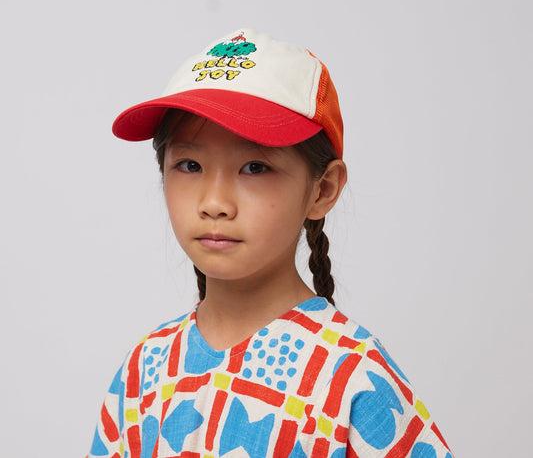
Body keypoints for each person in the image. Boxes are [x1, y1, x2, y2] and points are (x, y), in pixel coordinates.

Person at [87, 29, 453, 458]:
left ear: (322, 189)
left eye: (255, 167)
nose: (215, 202)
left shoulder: (352, 375)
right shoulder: (145, 369)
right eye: (189, 165)